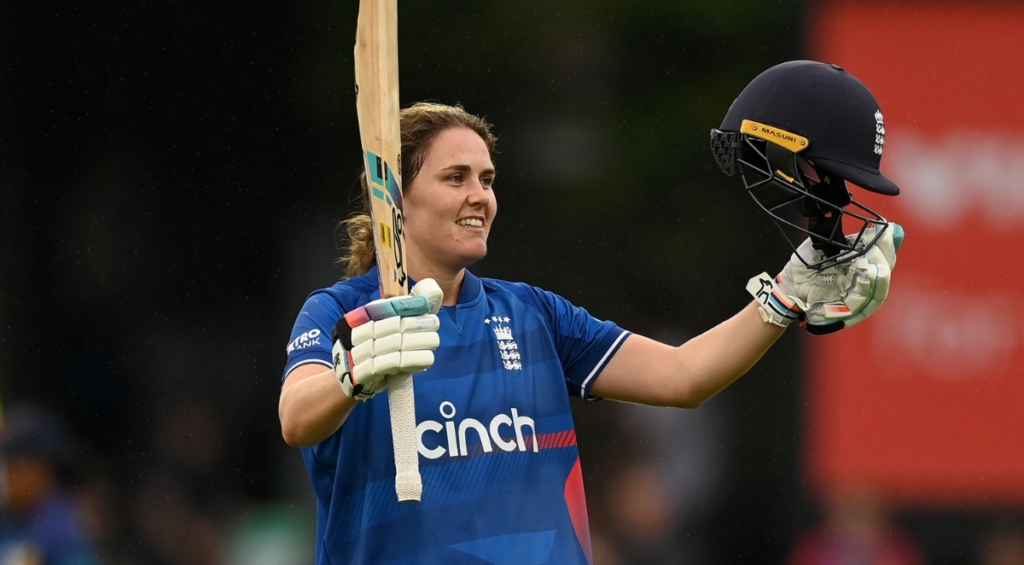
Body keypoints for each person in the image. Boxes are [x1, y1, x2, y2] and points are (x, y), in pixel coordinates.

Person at [279, 60, 903, 565]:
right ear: (396, 196)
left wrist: (787, 297)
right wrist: (352, 376)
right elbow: (297, 416)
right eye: (456, 178)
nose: (481, 196)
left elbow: (683, 377)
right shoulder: (342, 311)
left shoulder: (532, 315)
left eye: (488, 178)